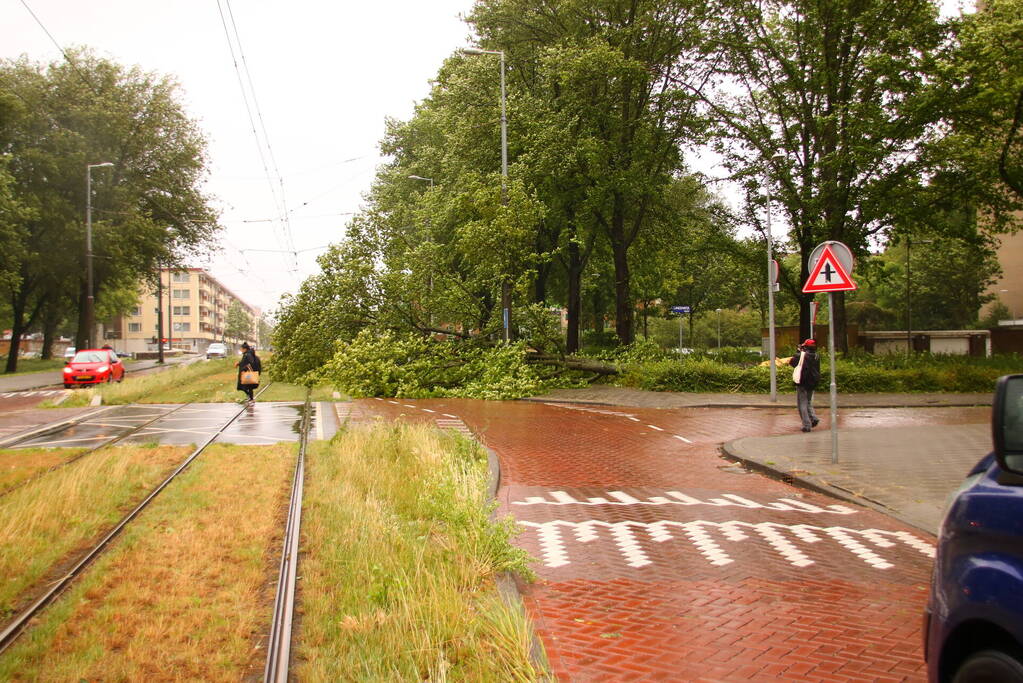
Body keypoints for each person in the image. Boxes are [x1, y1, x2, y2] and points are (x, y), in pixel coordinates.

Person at [788, 339, 821, 432]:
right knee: (809, 402)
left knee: (802, 404)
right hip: (813, 382)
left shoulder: (801, 355)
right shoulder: (816, 356)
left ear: (805, 347)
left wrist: (799, 351)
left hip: (802, 382)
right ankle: (814, 418)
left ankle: (807, 425)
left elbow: (792, 363)